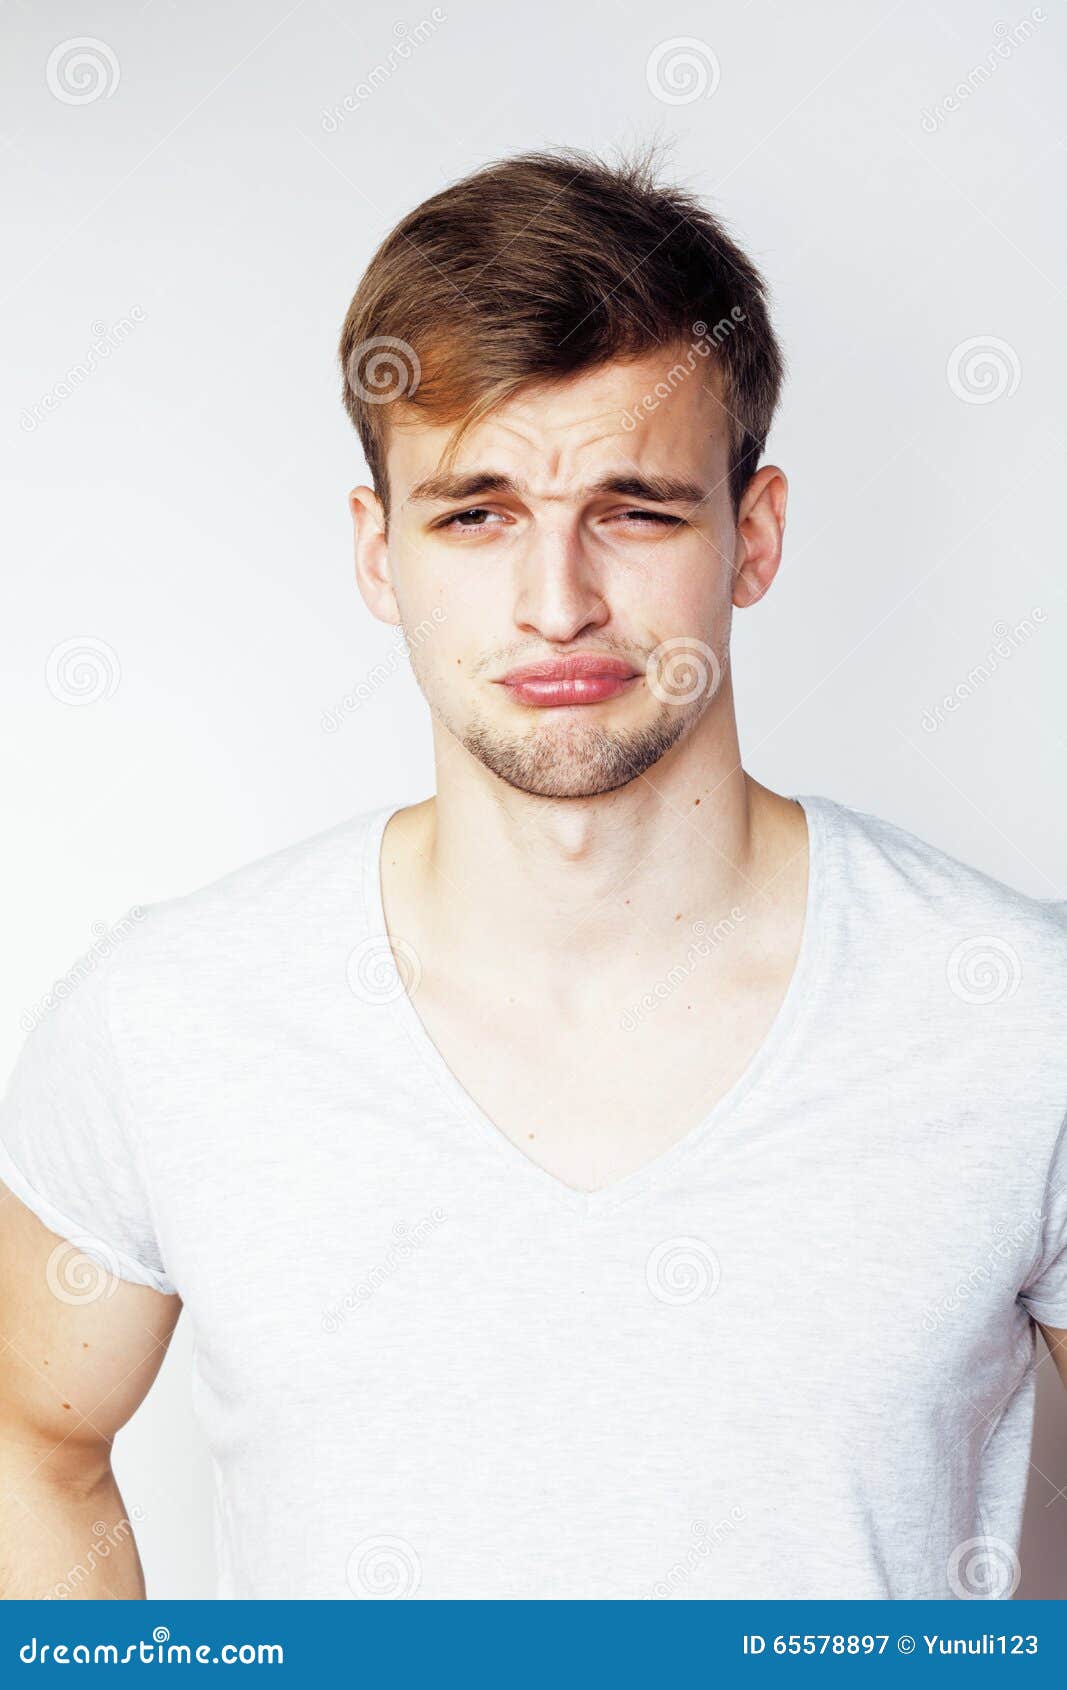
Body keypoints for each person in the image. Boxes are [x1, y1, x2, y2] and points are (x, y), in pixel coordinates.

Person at [1, 145, 1065, 1603]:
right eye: (476, 512)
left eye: (634, 509)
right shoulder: (165, 1022)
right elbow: (31, 1436)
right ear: (380, 553)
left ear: (751, 536)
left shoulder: (1019, 1023)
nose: (559, 602)